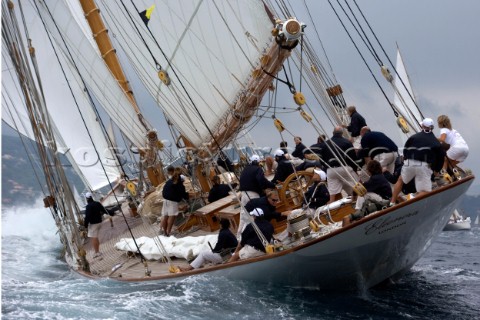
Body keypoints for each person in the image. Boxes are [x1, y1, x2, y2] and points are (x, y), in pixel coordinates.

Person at [390, 118, 445, 204]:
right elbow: (441, 158)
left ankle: (392, 202)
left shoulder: (414, 137)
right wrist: (437, 170)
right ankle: (410, 199)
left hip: (410, 162)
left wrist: (406, 158)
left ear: (422, 126)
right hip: (424, 166)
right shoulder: (436, 143)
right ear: (432, 128)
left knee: (400, 180)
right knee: (426, 191)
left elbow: (406, 149)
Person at [237, 154, 276, 238]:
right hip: (253, 195)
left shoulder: (245, 169)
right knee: (257, 215)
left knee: (244, 217)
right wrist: (271, 185)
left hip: (244, 195)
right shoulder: (258, 169)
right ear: (258, 162)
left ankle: (239, 237)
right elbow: (261, 180)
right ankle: (261, 236)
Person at [344, 160, 392, 225]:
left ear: (369, 170)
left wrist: (354, 197)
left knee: (364, 193)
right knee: (366, 194)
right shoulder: (379, 176)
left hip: (385, 201)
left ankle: (358, 212)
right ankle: (360, 211)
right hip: (387, 198)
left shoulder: (375, 179)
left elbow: (359, 188)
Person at [319, 126, 360, 203]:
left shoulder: (325, 144)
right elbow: (352, 158)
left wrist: (327, 168)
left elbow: (321, 160)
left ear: (333, 133)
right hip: (345, 168)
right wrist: (355, 171)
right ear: (342, 133)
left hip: (331, 171)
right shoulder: (347, 142)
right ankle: (359, 202)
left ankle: (330, 209)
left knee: (332, 197)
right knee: (358, 187)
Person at [161, 167, 189, 236]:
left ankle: (164, 232)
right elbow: (183, 194)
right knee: (172, 216)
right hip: (172, 201)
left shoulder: (169, 181)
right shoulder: (179, 183)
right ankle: (168, 233)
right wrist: (187, 196)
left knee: (165, 216)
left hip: (165, 200)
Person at [84, 192, 109, 258]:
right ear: (91, 197)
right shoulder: (97, 203)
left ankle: (97, 252)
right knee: (95, 237)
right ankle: (97, 251)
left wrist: (85, 225)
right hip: (99, 222)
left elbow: (87, 217)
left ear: (87, 199)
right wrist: (112, 213)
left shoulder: (88, 206)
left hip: (93, 224)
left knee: (94, 238)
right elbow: (104, 210)